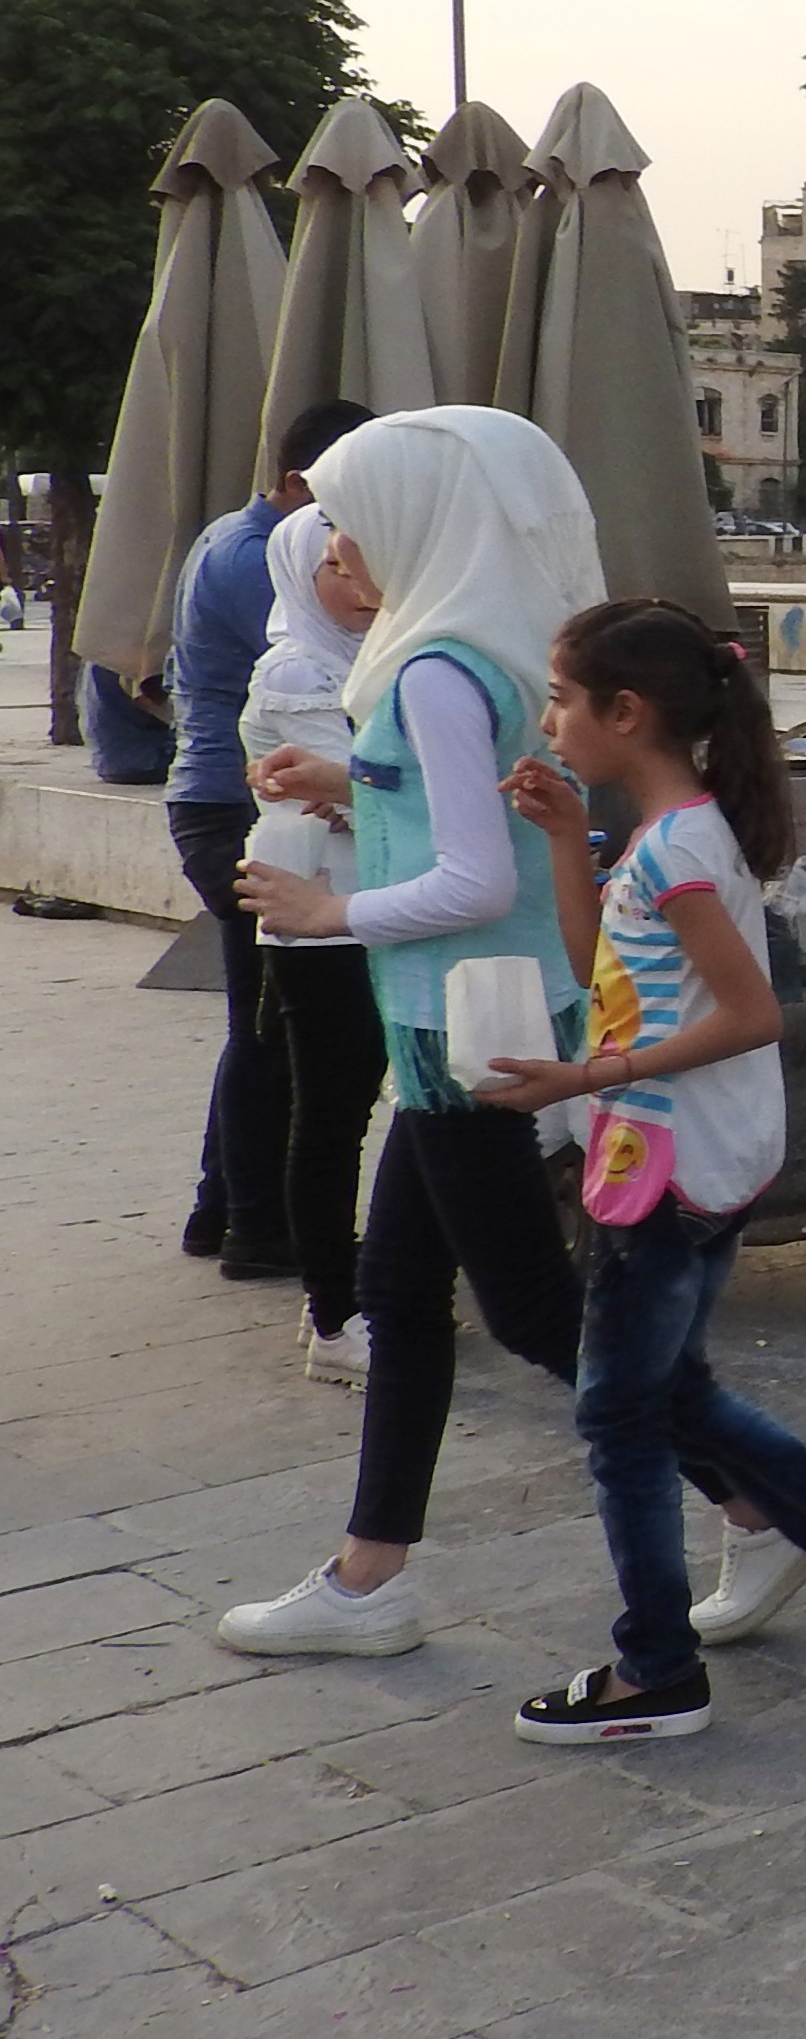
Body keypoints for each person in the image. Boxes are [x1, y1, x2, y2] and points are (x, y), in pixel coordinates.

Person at [478, 598, 806, 1738]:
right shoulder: (668, 838)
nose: (549, 717)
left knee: (620, 1419)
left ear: (627, 711)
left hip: (668, 1166)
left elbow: (750, 1014)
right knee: (668, 1393)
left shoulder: (685, 851)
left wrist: (583, 1081)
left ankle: (656, 1666)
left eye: (561, 696)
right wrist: (563, 842)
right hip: (681, 1156)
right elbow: (604, 960)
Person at [213, 408, 608, 1660]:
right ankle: (369, 1574)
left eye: (352, 517)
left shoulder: (432, 666)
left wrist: (328, 906)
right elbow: (459, 814)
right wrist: (343, 786)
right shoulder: (474, 646)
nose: (339, 544)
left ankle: (797, 1512)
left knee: (540, 1314)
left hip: (455, 1021)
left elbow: (472, 877)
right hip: (473, 1012)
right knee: (401, 1288)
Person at [161, 398, 377, 1267]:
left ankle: (225, 1207)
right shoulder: (271, 560)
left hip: (242, 799)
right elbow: (307, 699)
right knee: (275, 1028)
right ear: (299, 487)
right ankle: (257, 1220)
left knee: (272, 1023)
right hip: (238, 806)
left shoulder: (242, 542)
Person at [232, 503, 384, 1384]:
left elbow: (369, 790)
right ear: (302, 571)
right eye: (336, 568)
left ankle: (345, 1294)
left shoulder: (365, 660)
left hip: (363, 899)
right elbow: (351, 790)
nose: (357, 586)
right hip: (314, 910)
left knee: (351, 1103)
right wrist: (379, 788)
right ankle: (333, 1312)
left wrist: (371, 789)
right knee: (331, 1112)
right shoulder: (296, 669)